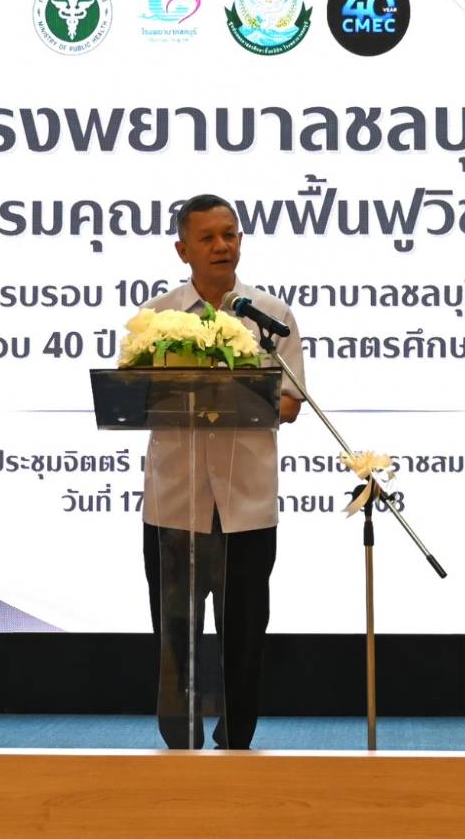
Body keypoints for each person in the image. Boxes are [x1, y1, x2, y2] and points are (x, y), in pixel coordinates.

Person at [142, 193, 305, 750]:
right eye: (208, 237)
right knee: (175, 634)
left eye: (229, 235)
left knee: (245, 632)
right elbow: (137, 394)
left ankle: (237, 740)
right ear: (182, 249)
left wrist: (231, 394)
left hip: (246, 501)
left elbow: (291, 403)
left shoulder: (271, 316)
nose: (221, 246)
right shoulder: (156, 317)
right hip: (175, 500)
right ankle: (179, 742)